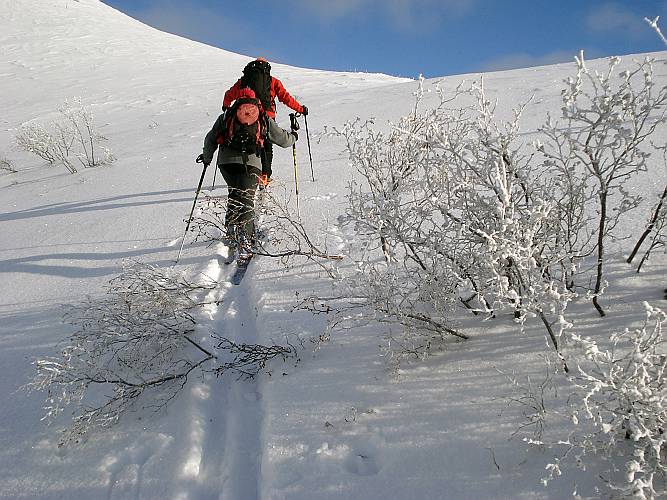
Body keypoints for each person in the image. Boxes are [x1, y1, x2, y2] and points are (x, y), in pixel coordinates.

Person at [198, 88, 298, 259]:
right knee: (246, 199)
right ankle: (246, 239)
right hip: (251, 164)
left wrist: (207, 158)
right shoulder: (262, 116)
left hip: (226, 164)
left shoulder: (226, 116)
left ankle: (231, 232)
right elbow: (282, 139)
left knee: (234, 194)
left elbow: (210, 139)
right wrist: (294, 136)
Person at [222, 58, 307, 183]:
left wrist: (226, 106)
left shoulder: (243, 81)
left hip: (244, 117)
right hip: (266, 116)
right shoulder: (272, 81)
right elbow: (286, 98)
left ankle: (247, 173)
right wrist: (300, 109)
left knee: (247, 141)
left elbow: (228, 94)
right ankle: (265, 176)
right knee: (266, 146)